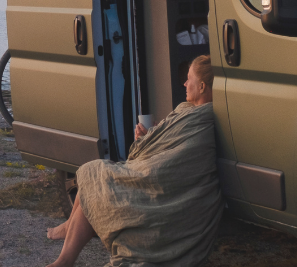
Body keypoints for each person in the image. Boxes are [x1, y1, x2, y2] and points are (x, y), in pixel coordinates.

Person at [45, 55, 222, 267]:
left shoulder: (203, 119)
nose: (184, 84)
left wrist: (147, 142)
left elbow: (175, 159)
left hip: (160, 185)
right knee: (97, 176)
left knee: (96, 175)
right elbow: (163, 145)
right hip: (151, 171)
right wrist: (148, 137)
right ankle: (67, 244)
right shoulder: (188, 111)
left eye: (189, 79)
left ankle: (65, 257)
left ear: (202, 86)